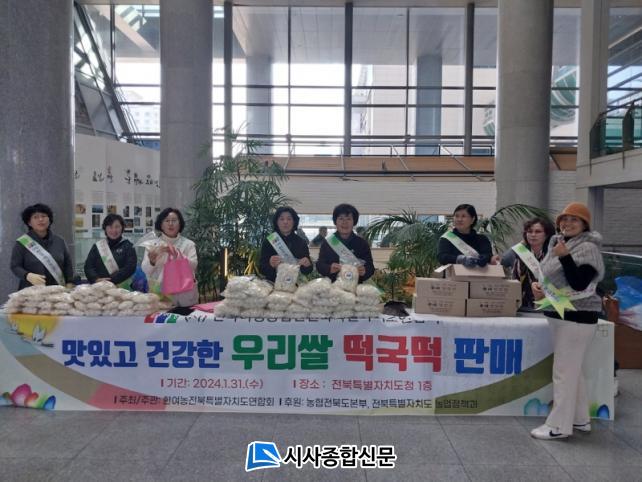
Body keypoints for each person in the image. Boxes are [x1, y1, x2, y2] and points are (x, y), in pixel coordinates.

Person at [530, 202, 605, 440]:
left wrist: (565, 257)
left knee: (563, 373)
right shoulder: (559, 243)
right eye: (564, 219)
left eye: (574, 219)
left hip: (577, 317)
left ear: (585, 224)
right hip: (561, 316)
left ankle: (558, 426)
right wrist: (540, 288)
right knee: (573, 371)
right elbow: (554, 279)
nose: (567, 223)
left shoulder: (587, 247)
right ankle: (580, 419)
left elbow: (579, 283)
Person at [141, 208, 198, 307]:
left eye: (174, 221)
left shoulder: (188, 244)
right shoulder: (153, 245)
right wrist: (152, 261)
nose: (170, 224)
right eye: (167, 221)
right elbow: (145, 270)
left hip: (183, 295)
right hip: (160, 295)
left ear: (180, 224)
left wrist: (177, 254)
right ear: (161, 225)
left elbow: (193, 266)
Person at [10, 203, 74, 290]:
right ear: (29, 223)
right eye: (35, 217)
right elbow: (15, 266)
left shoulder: (59, 241)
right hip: (31, 290)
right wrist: (27, 275)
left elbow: (67, 264)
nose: (40, 219)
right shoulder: (22, 242)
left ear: (49, 220)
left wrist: (70, 282)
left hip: (57, 290)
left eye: (43, 216)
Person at [503, 217, 556, 310]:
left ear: (547, 235)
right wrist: (522, 243)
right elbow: (504, 261)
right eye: (529, 231)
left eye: (538, 231)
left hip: (549, 303)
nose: (533, 235)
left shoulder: (553, 253)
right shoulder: (520, 252)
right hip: (522, 304)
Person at [316, 203, 375, 283]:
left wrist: (365, 271)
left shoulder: (362, 244)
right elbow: (320, 265)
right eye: (341, 219)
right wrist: (329, 268)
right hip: (332, 287)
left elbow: (370, 267)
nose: (345, 222)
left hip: (355, 287)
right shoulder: (328, 243)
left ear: (354, 222)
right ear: (335, 221)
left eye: (348, 219)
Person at [259, 207, 313, 282]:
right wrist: (270, 265)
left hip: (295, 284)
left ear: (294, 222)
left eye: (289, 219)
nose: (285, 222)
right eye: (281, 219)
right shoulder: (269, 241)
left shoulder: (301, 242)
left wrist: (307, 265)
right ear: (276, 222)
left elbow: (308, 271)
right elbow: (261, 268)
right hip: (273, 283)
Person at [84, 214, 137, 286]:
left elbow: (130, 267)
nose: (114, 230)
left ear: (122, 228)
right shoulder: (97, 246)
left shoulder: (128, 246)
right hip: (100, 286)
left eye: (117, 227)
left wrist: (111, 281)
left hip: (122, 287)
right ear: (105, 229)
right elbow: (88, 266)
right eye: (110, 227)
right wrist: (96, 279)